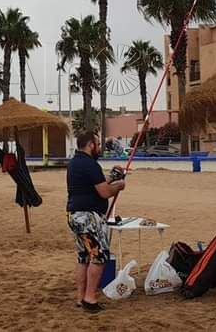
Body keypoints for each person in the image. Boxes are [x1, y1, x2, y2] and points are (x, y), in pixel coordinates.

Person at [66, 131, 126, 314]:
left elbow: (96, 185)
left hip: (74, 215)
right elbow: (104, 192)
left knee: (84, 257)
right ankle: (90, 299)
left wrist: (112, 178)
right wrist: (119, 186)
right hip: (89, 219)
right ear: (90, 144)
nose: (100, 148)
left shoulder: (75, 163)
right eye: (98, 144)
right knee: (99, 257)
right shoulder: (90, 165)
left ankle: (80, 298)